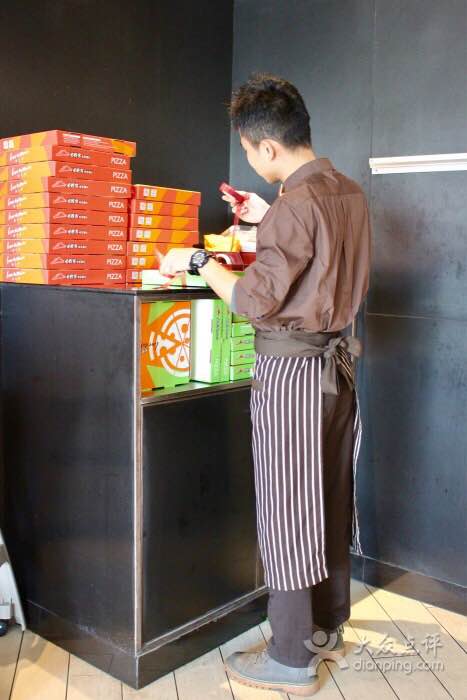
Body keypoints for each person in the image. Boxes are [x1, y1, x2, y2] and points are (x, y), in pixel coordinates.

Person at [160, 73, 371, 697]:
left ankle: (289, 656)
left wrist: (200, 261)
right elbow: (316, 257)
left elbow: (253, 300)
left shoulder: (295, 206)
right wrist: (269, 217)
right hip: (338, 372)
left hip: (292, 373)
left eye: (250, 151)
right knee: (328, 495)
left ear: (268, 147)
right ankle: (325, 628)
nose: (251, 160)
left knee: (287, 508)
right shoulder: (348, 192)